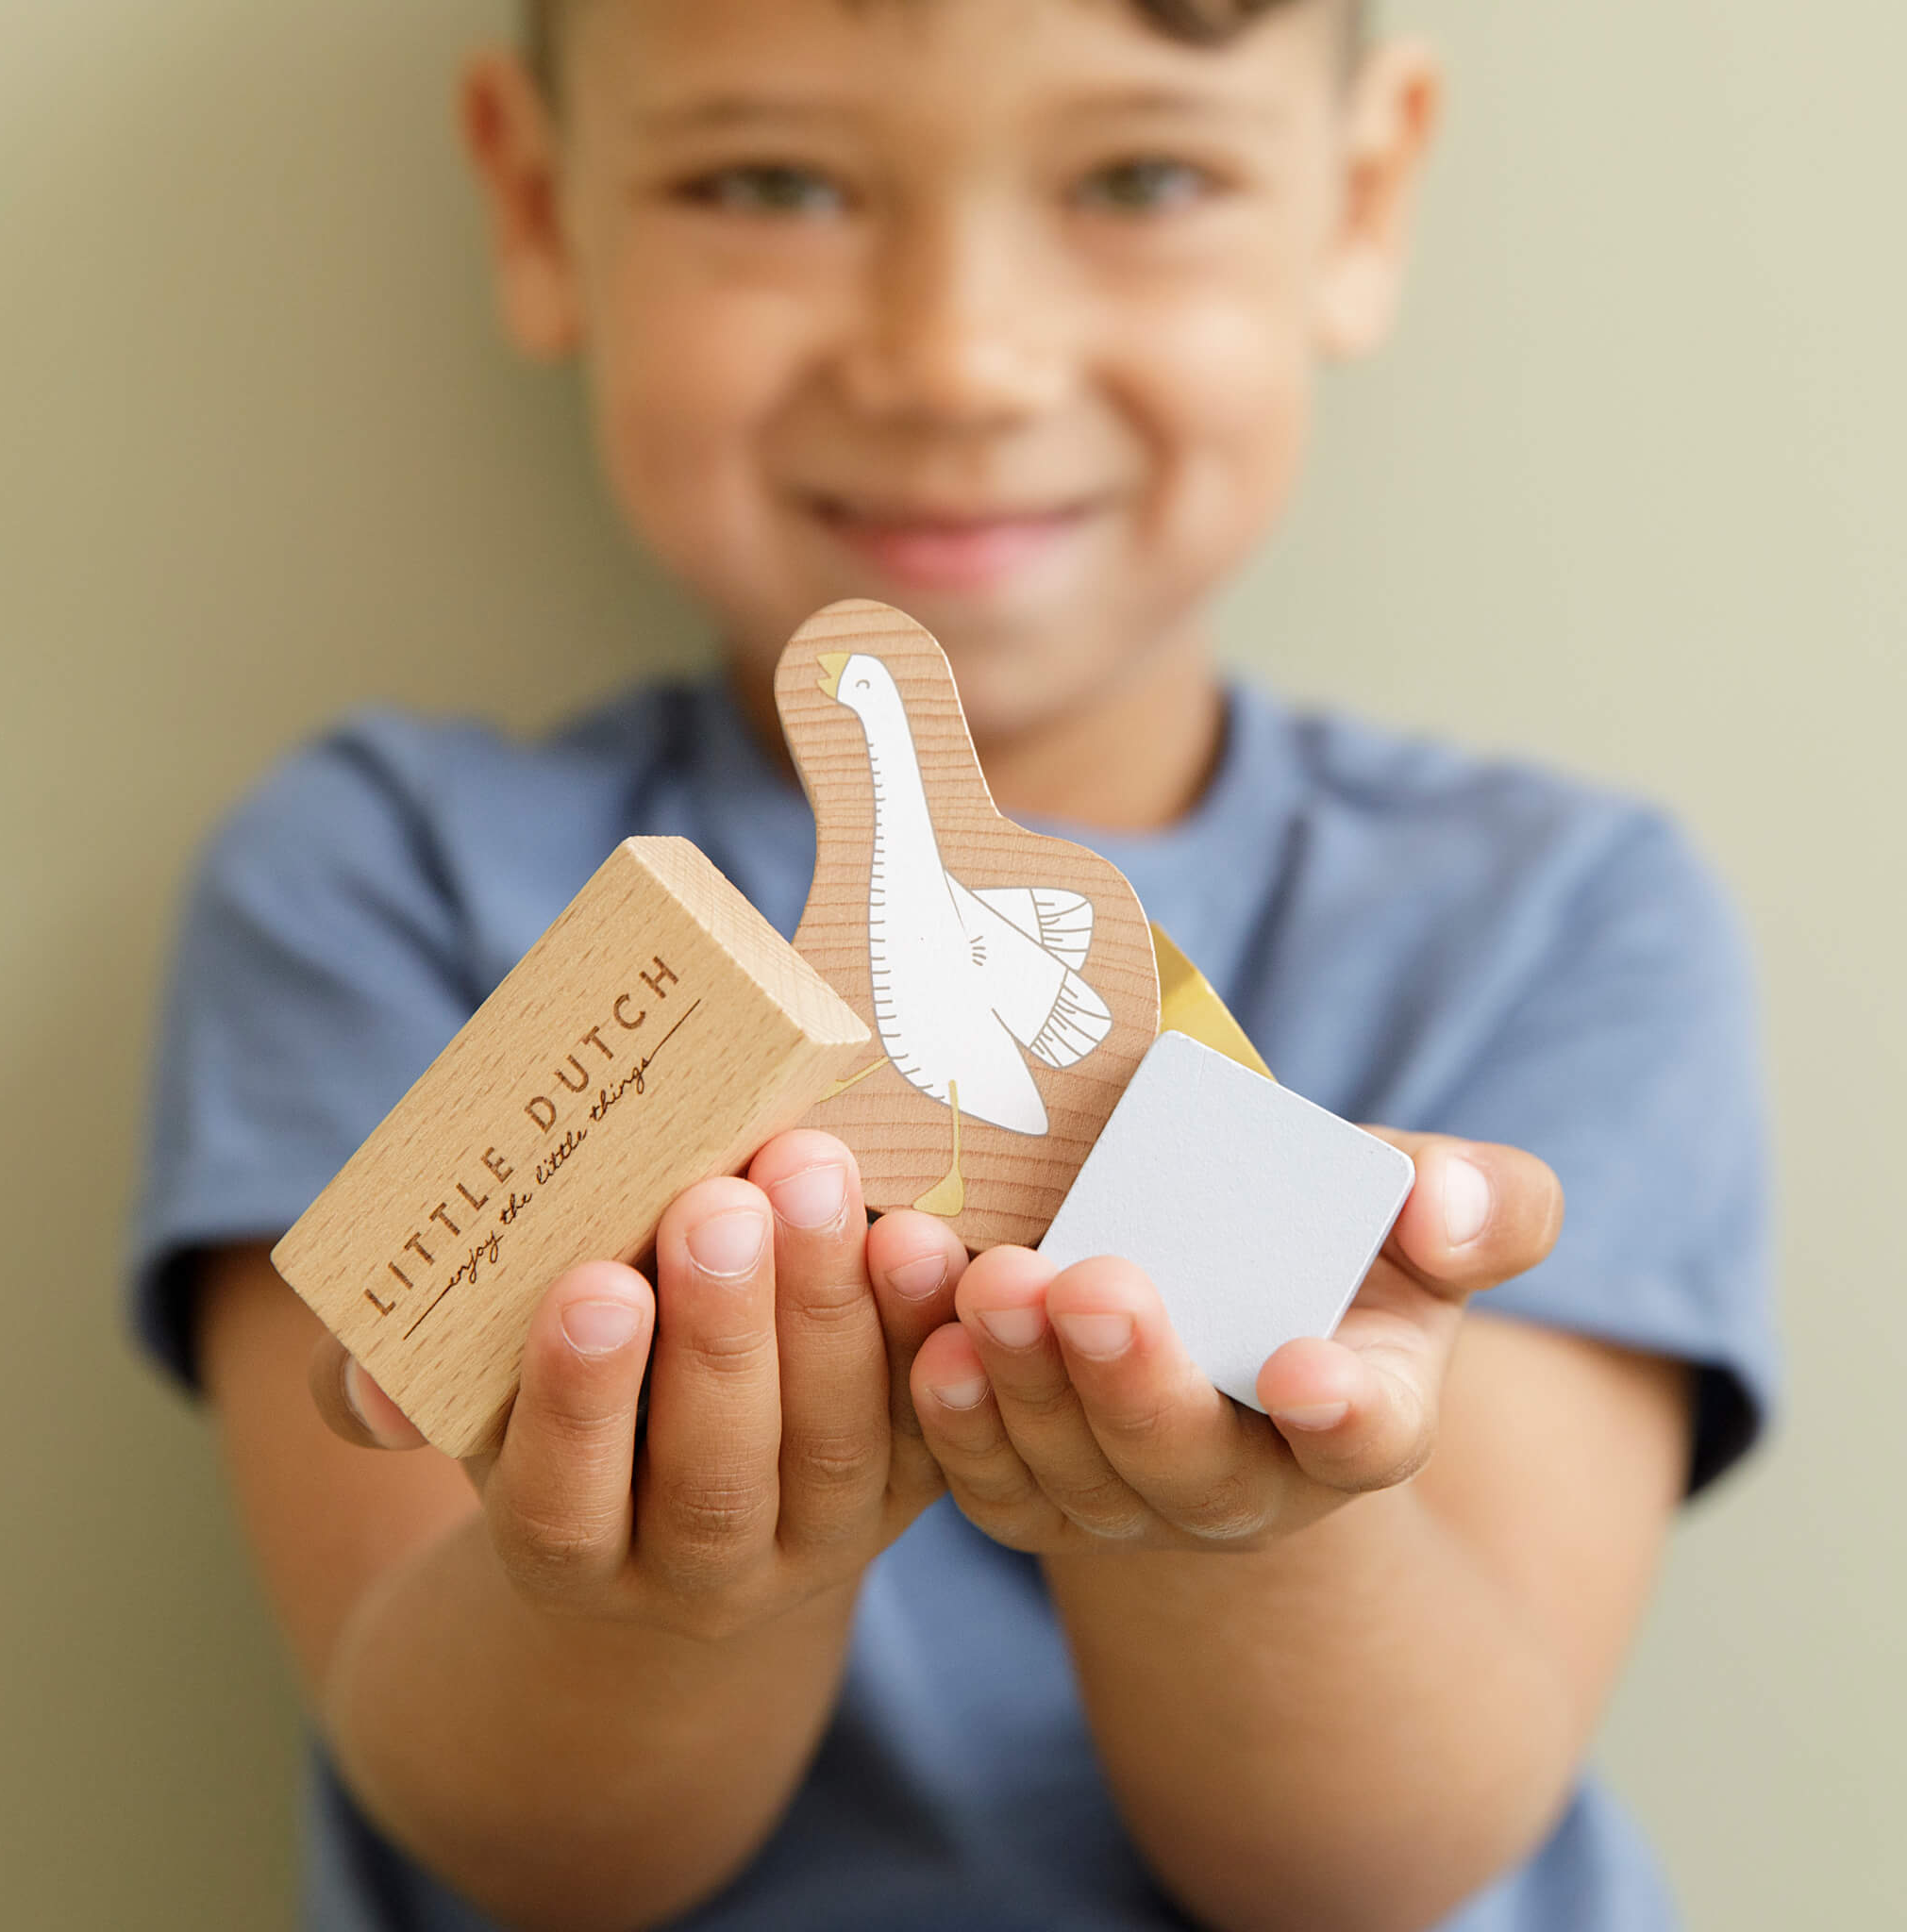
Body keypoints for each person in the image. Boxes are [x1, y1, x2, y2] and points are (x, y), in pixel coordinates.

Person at [130, 3, 1778, 1928]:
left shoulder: (1553, 917)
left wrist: (1229, 1521)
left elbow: (1385, 1860)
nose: (956, 361)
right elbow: (509, 1839)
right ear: (533, 199)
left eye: (1140, 176)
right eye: (772, 182)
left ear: (1359, 198)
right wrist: (668, 1585)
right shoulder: (384, 880)